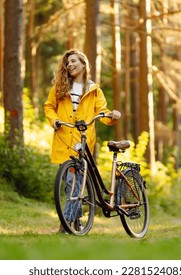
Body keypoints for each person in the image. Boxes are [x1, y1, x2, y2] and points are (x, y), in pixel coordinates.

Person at [44, 49, 121, 233]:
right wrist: (54, 120)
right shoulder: (60, 88)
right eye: (67, 62)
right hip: (64, 139)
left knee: (74, 182)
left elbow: (102, 112)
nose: (69, 64)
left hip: (83, 140)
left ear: (83, 64)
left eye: (73, 61)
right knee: (71, 184)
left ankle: (66, 225)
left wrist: (113, 116)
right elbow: (49, 107)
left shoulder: (94, 90)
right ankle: (76, 222)